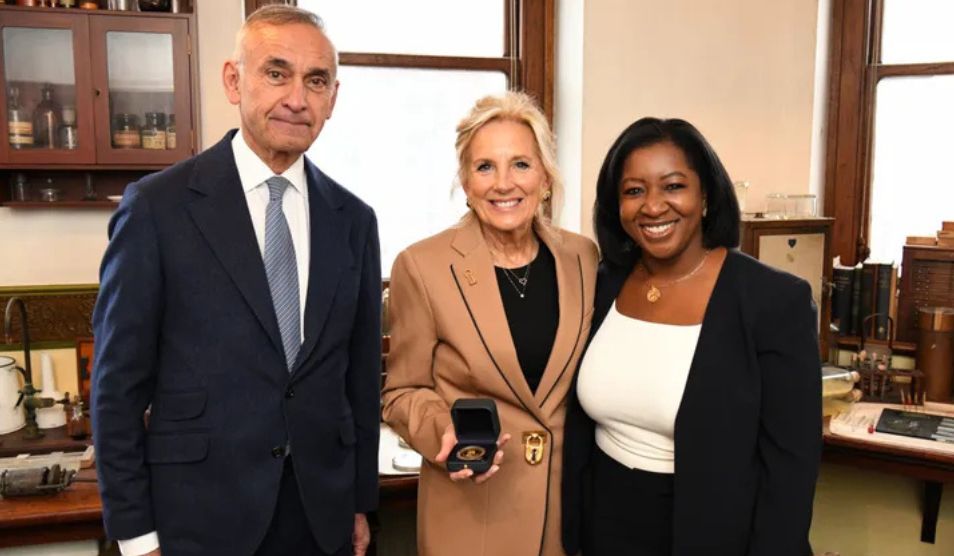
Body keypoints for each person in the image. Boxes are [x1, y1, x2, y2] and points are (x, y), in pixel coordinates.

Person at [91, 6, 380, 556]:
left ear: (332, 99)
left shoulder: (354, 219)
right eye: (277, 73)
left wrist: (361, 501)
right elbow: (116, 390)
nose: (297, 98)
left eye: (315, 81)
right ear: (233, 80)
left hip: (322, 520)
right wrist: (135, 535)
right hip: (199, 522)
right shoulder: (157, 209)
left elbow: (360, 382)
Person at [562, 117, 821, 556]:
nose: (653, 206)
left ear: (705, 197)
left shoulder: (773, 301)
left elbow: (790, 472)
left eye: (673, 186)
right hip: (602, 527)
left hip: (712, 534)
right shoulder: (602, 283)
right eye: (634, 190)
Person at [382, 92, 598, 555]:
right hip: (472, 511)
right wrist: (441, 428)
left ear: (545, 177)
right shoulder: (422, 266)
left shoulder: (583, 257)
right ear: (465, 181)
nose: (504, 183)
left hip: (568, 517)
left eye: (521, 164)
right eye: (485, 167)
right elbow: (401, 392)